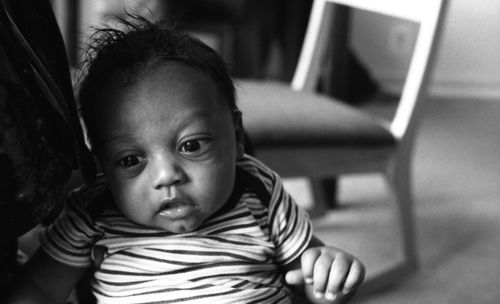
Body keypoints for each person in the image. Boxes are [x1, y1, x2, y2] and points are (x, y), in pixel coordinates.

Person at [6, 16, 365, 304]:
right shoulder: (92, 211)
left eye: (191, 146)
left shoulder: (258, 189)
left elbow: (311, 275)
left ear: (237, 137)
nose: (167, 176)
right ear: (101, 162)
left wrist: (330, 276)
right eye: (131, 160)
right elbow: (38, 288)